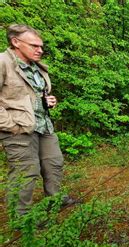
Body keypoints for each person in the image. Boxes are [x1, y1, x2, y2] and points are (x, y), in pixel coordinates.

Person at [0, 24, 75, 215]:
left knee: (54, 162)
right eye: (34, 45)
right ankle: (22, 218)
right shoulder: (3, 63)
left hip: (43, 125)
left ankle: (54, 199)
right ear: (15, 42)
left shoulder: (37, 67)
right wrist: (11, 125)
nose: (40, 50)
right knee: (25, 171)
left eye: (41, 46)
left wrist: (47, 101)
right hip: (19, 129)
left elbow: (32, 95)